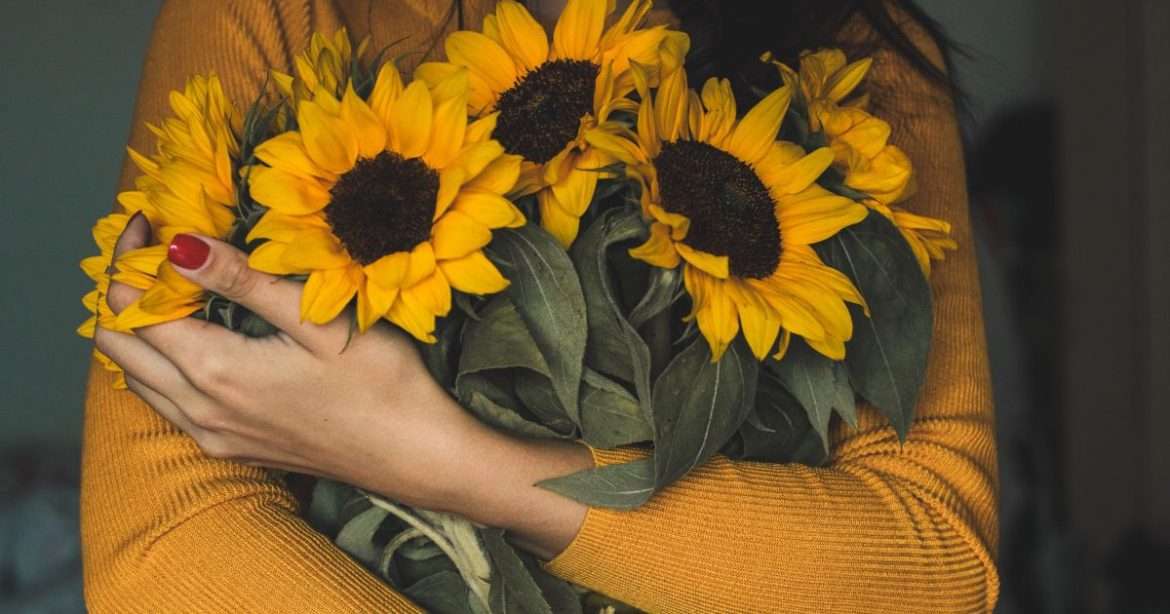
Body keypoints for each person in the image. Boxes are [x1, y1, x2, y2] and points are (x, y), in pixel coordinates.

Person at [84, 1, 999, 611]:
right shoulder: (279, 12)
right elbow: (167, 545)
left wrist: (446, 460)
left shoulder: (843, 45)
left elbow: (935, 566)